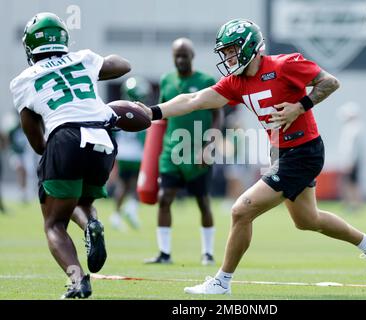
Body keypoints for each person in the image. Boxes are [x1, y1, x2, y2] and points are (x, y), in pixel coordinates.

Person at [138, 19, 366, 294]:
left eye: (231, 50)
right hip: (282, 151)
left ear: (249, 47)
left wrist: (300, 106)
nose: (227, 57)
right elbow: (193, 99)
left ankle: (222, 282)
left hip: (302, 151)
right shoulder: (237, 82)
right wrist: (152, 112)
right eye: (225, 52)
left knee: (241, 210)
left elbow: (330, 82)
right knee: (308, 220)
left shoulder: (284, 65)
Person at [9, 12, 131, 298]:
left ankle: (78, 280)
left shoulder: (23, 80)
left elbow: (35, 138)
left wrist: (50, 155)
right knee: (83, 201)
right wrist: (93, 66)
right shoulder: (84, 58)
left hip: (65, 137)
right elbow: (124, 65)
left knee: (54, 222)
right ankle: (91, 224)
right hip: (104, 137)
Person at [144, 38, 223, 266]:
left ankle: (207, 253)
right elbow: (161, 118)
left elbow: (218, 114)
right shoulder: (166, 80)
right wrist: (153, 151)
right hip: (171, 150)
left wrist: (209, 145)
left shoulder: (206, 81)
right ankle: (164, 253)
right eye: (176, 55)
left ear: (192, 56)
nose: (180, 60)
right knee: (164, 198)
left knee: (203, 202)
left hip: (198, 150)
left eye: (184, 55)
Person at [109, 76, 149, 230]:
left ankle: (117, 215)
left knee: (122, 186)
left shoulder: (117, 108)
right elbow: (143, 136)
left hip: (121, 153)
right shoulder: (140, 111)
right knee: (137, 185)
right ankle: (131, 208)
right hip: (136, 154)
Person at [337, 102, 364, 213]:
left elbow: (353, 148)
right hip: (349, 161)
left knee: (352, 184)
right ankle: (349, 203)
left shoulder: (354, 128)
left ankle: (355, 205)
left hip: (352, 161)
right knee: (349, 183)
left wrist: (350, 162)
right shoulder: (350, 127)